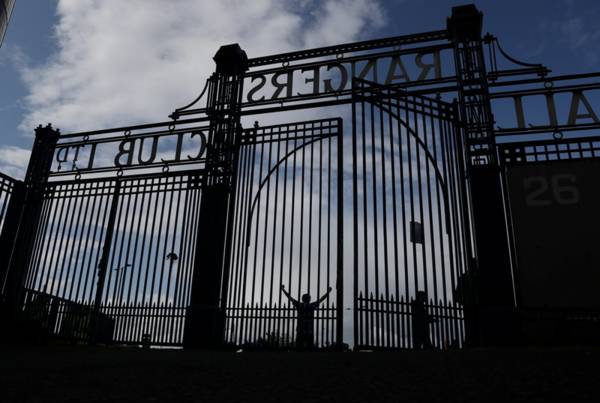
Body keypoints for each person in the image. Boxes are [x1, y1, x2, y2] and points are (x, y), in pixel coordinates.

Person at [281, 284, 332, 350]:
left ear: (302, 299)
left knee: (299, 348)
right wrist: (328, 291)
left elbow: (290, 297)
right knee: (309, 348)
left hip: (300, 329)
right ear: (309, 299)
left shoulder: (300, 305)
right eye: (309, 298)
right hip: (309, 329)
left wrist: (283, 289)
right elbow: (321, 299)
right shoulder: (312, 305)